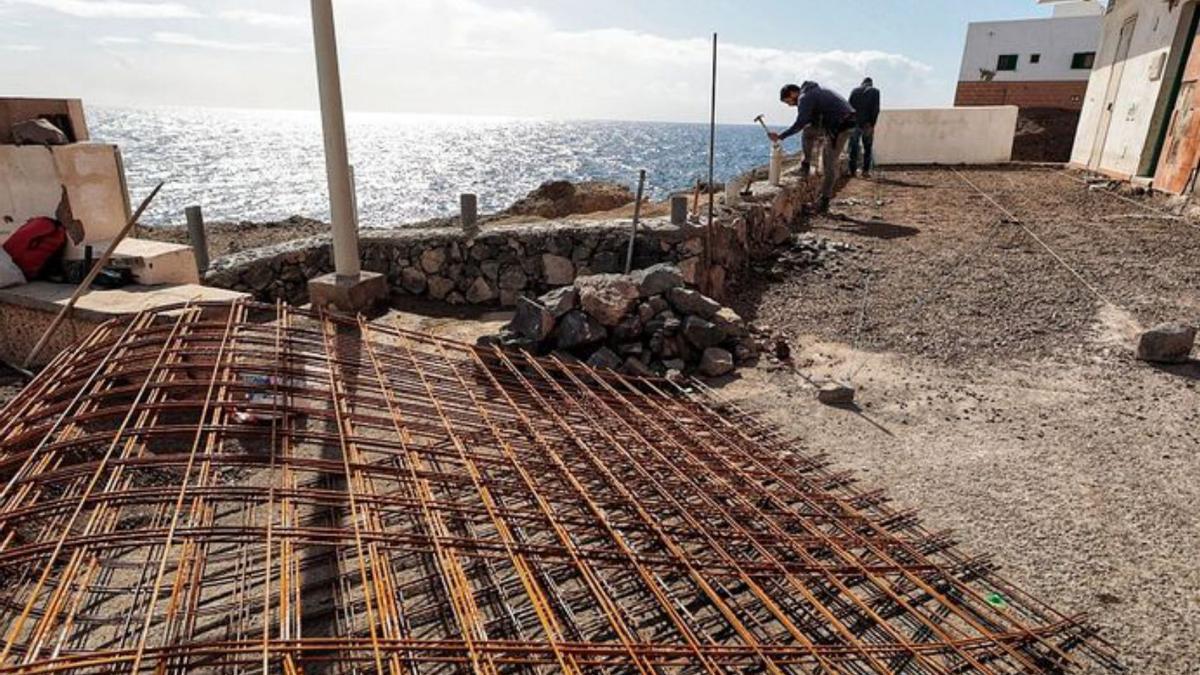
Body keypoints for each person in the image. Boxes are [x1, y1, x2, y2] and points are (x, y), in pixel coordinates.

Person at [769, 81, 857, 213]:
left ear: (793, 93)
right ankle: (806, 164)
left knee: (829, 163)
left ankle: (823, 203)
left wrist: (781, 136)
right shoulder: (816, 92)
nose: (790, 105)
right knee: (809, 132)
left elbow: (800, 123)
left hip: (841, 126)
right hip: (844, 122)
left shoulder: (805, 97)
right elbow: (812, 121)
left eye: (788, 102)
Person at [848, 77, 881, 178]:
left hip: (854, 123)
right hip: (867, 124)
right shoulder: (875, 91)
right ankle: (865, 171)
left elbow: (848, 107)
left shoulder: (854, 90)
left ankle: (852, 171)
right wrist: (872, 124)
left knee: (853, 147)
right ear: (871, 83)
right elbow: (876, 109)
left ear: (862, 83)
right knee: (867, 148)